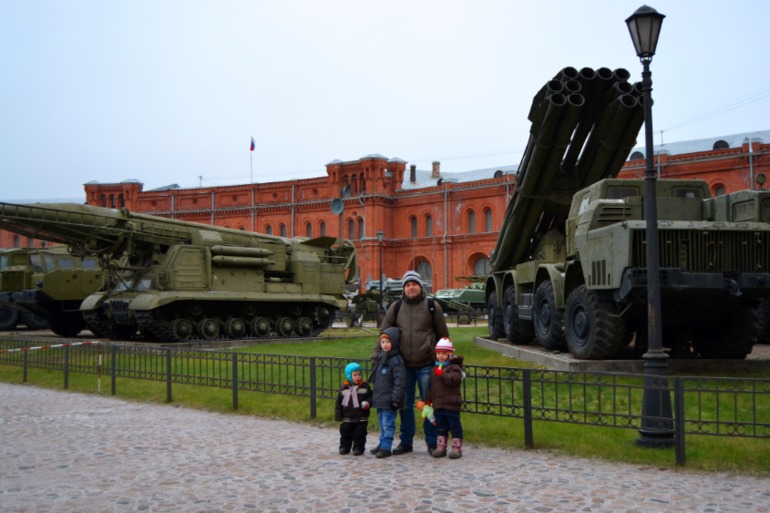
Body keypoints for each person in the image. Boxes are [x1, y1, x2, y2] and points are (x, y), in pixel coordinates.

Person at [377, 269, 449, 455]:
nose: (411, 287)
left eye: (414, 284)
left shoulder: (432, 306)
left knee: (428, 405)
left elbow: (443, 336)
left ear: (420, 287)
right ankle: (406, 441)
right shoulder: (396, 307)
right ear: (404, 288)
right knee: (405, 405)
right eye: (408, 285)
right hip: (403, 366)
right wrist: (378, 357)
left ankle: (432, 442)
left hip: (426, 364)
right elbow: (384, 333)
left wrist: (446, 361)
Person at [368, 326, 406, 458]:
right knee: (381, 423)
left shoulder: (396, 362)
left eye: (388, 342)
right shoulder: (381, 358)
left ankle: (386, 446)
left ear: (393, 343)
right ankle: (382, 442)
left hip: (389, 400)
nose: (385, 345)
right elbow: (377, 380)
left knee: (387, 424)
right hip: (380, 399)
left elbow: (399, 383)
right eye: (383, 342)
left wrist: (395, 398)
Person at [425, 337, 465, 458]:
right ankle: (441, 447)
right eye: (439, 354)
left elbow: (452, 380)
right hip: (439, 405)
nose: (441, 356)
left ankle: (457, 448)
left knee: (454, 427)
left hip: (451, 404)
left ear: (449, 354)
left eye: (444, 354)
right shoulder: (434, 369)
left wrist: (441, 373)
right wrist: (429, 399)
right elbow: (432, 386)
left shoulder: (455, 368)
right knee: (441, 428)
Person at [334, 362, 373, 456]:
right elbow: (338, 403)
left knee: (360, 434)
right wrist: (338, 415)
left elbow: (371, 397)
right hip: (347, 417)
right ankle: (344, 447)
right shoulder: (344, 388)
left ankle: (358, 448)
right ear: (349, 376)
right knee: (345, 434)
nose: (358, 377)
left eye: (359, 374)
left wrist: (368, 403)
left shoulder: (365, 386)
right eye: (355, 375)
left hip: (361, 417)